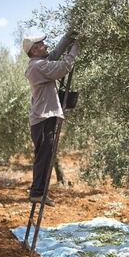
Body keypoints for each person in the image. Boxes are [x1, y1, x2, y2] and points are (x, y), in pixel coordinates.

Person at [22, 33, 79, 206]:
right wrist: (76, 48)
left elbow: (54, 55)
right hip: (43, 119)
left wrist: (68, 37)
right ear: (34, 50)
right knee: (44, 157)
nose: (45, 45)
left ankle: (38, 192)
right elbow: (63, 67)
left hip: (44, 118)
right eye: (41, 44)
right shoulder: (38, 66)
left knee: (45, 156)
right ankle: (37, 193)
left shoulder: (39, 64)